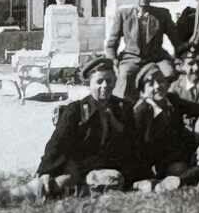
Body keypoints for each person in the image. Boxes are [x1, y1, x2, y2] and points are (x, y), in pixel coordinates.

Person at [31, 57, 135, 197]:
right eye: (99, 82)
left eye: (109, 81)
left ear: (115, 82)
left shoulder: (124, 108)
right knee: (56, 184)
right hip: (80, 165)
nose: (105, 86)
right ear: (89, 84)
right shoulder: (76, 110)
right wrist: (45, 170)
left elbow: (132, 143)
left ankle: (84, 189)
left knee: (113, 179)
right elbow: (58, 141)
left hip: (110, 166)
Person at [104, 0, 178, 101]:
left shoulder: (162, 14)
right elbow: (111, 43)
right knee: (125, 75)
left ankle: (168, 108)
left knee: (169, 73)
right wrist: (113, 61)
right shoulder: (123, 14)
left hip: (157, 58)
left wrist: (178, 58)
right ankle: (123, 107)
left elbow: (176, 39)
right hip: (131, 58)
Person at [130, 63, 192, 190]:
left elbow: (196, 108)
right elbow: (137, 146)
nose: (157, 86)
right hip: (148, 162)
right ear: (143, 91)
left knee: (181, 169)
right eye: (151, 84)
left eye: (160, 81)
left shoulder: (172, 100)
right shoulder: (141, 111)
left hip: (170, 159)